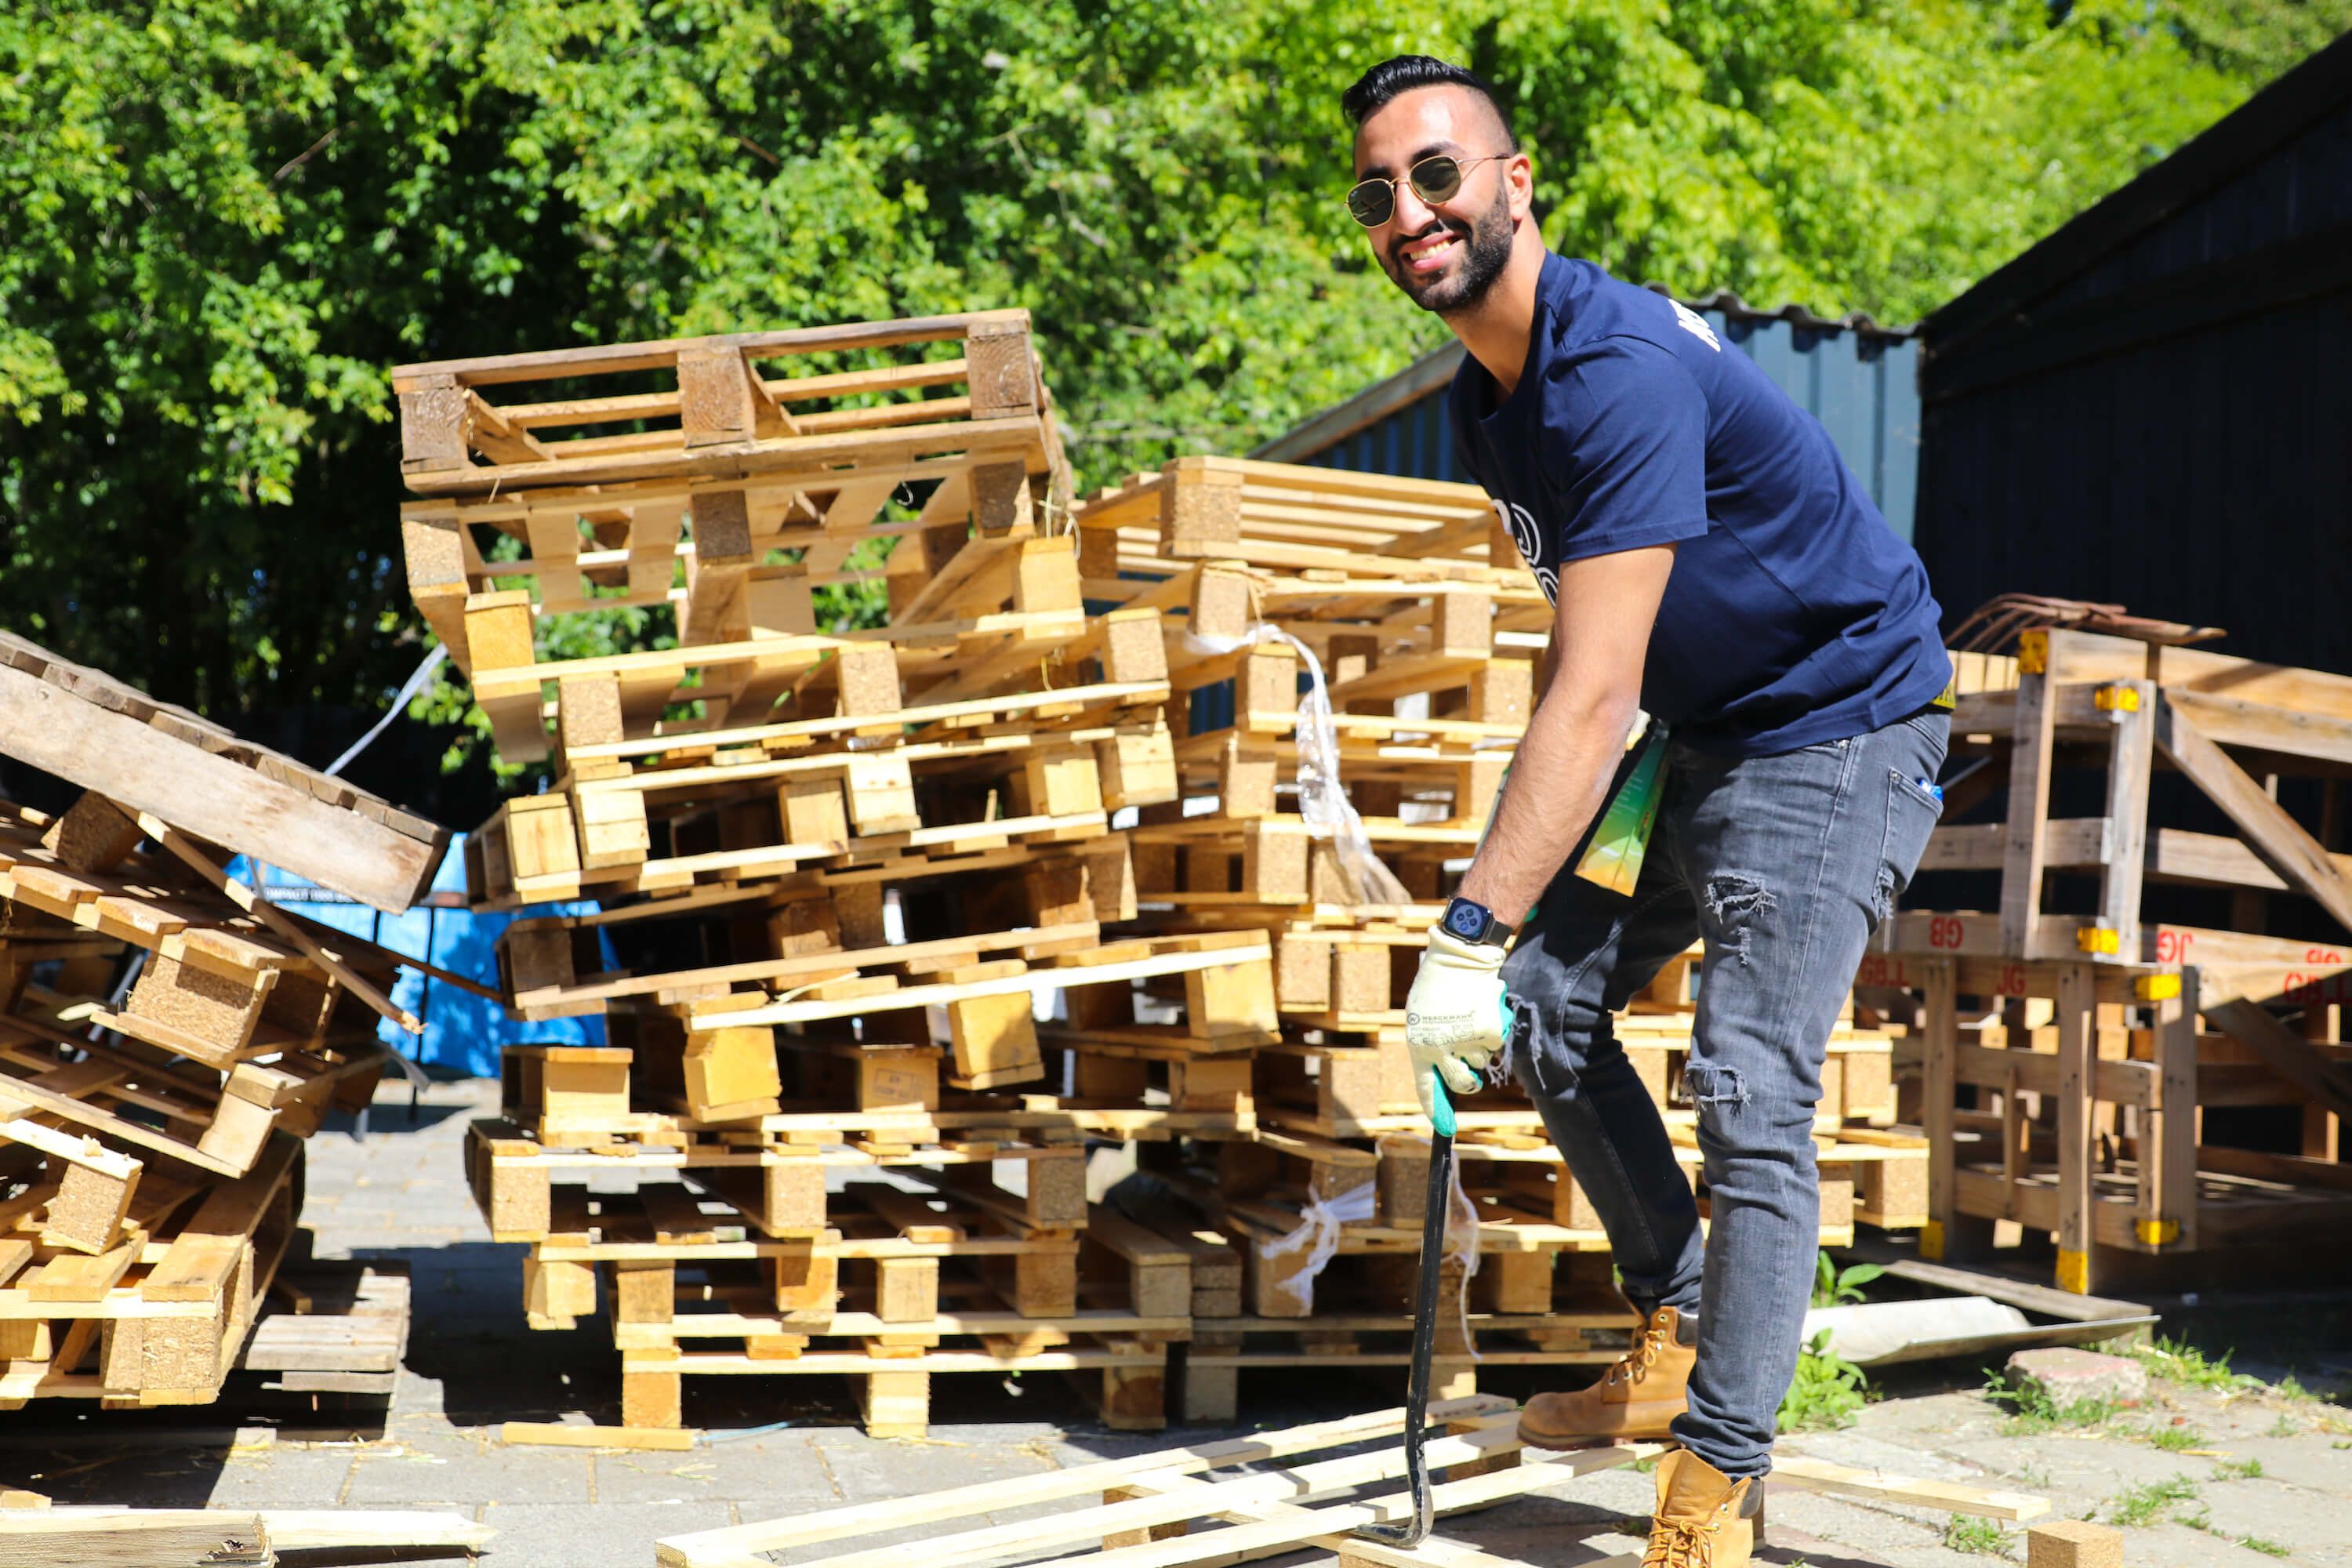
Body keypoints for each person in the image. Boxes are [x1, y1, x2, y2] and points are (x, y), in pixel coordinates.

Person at [1342, 55, 1952, 1566]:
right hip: (1706, 731)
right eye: (1378, 194)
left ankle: (1723, 1470)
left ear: (1514, 182)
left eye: (1439, 175)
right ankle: (1682, 1323)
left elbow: (1591, 690)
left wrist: (1470, 923)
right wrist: (1510, 939)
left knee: (1748, 1088)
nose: (1410, 211)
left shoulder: (1611, 368)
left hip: (1837, 726)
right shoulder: (1499, 400)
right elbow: (1612, 667)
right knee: (1550, 1011)